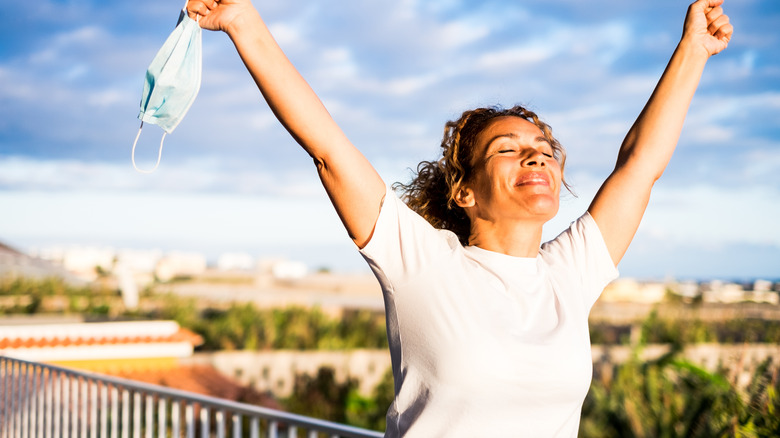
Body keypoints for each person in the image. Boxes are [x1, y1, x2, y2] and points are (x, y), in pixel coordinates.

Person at [184, 0, 733, 436]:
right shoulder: (422, 263)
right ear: (465, 191)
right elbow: (327, 147)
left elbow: (639, 166)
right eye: (507, 149)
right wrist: (243, 22)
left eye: (543, 146)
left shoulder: (571, 272)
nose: (536, 155)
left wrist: (693, 49)